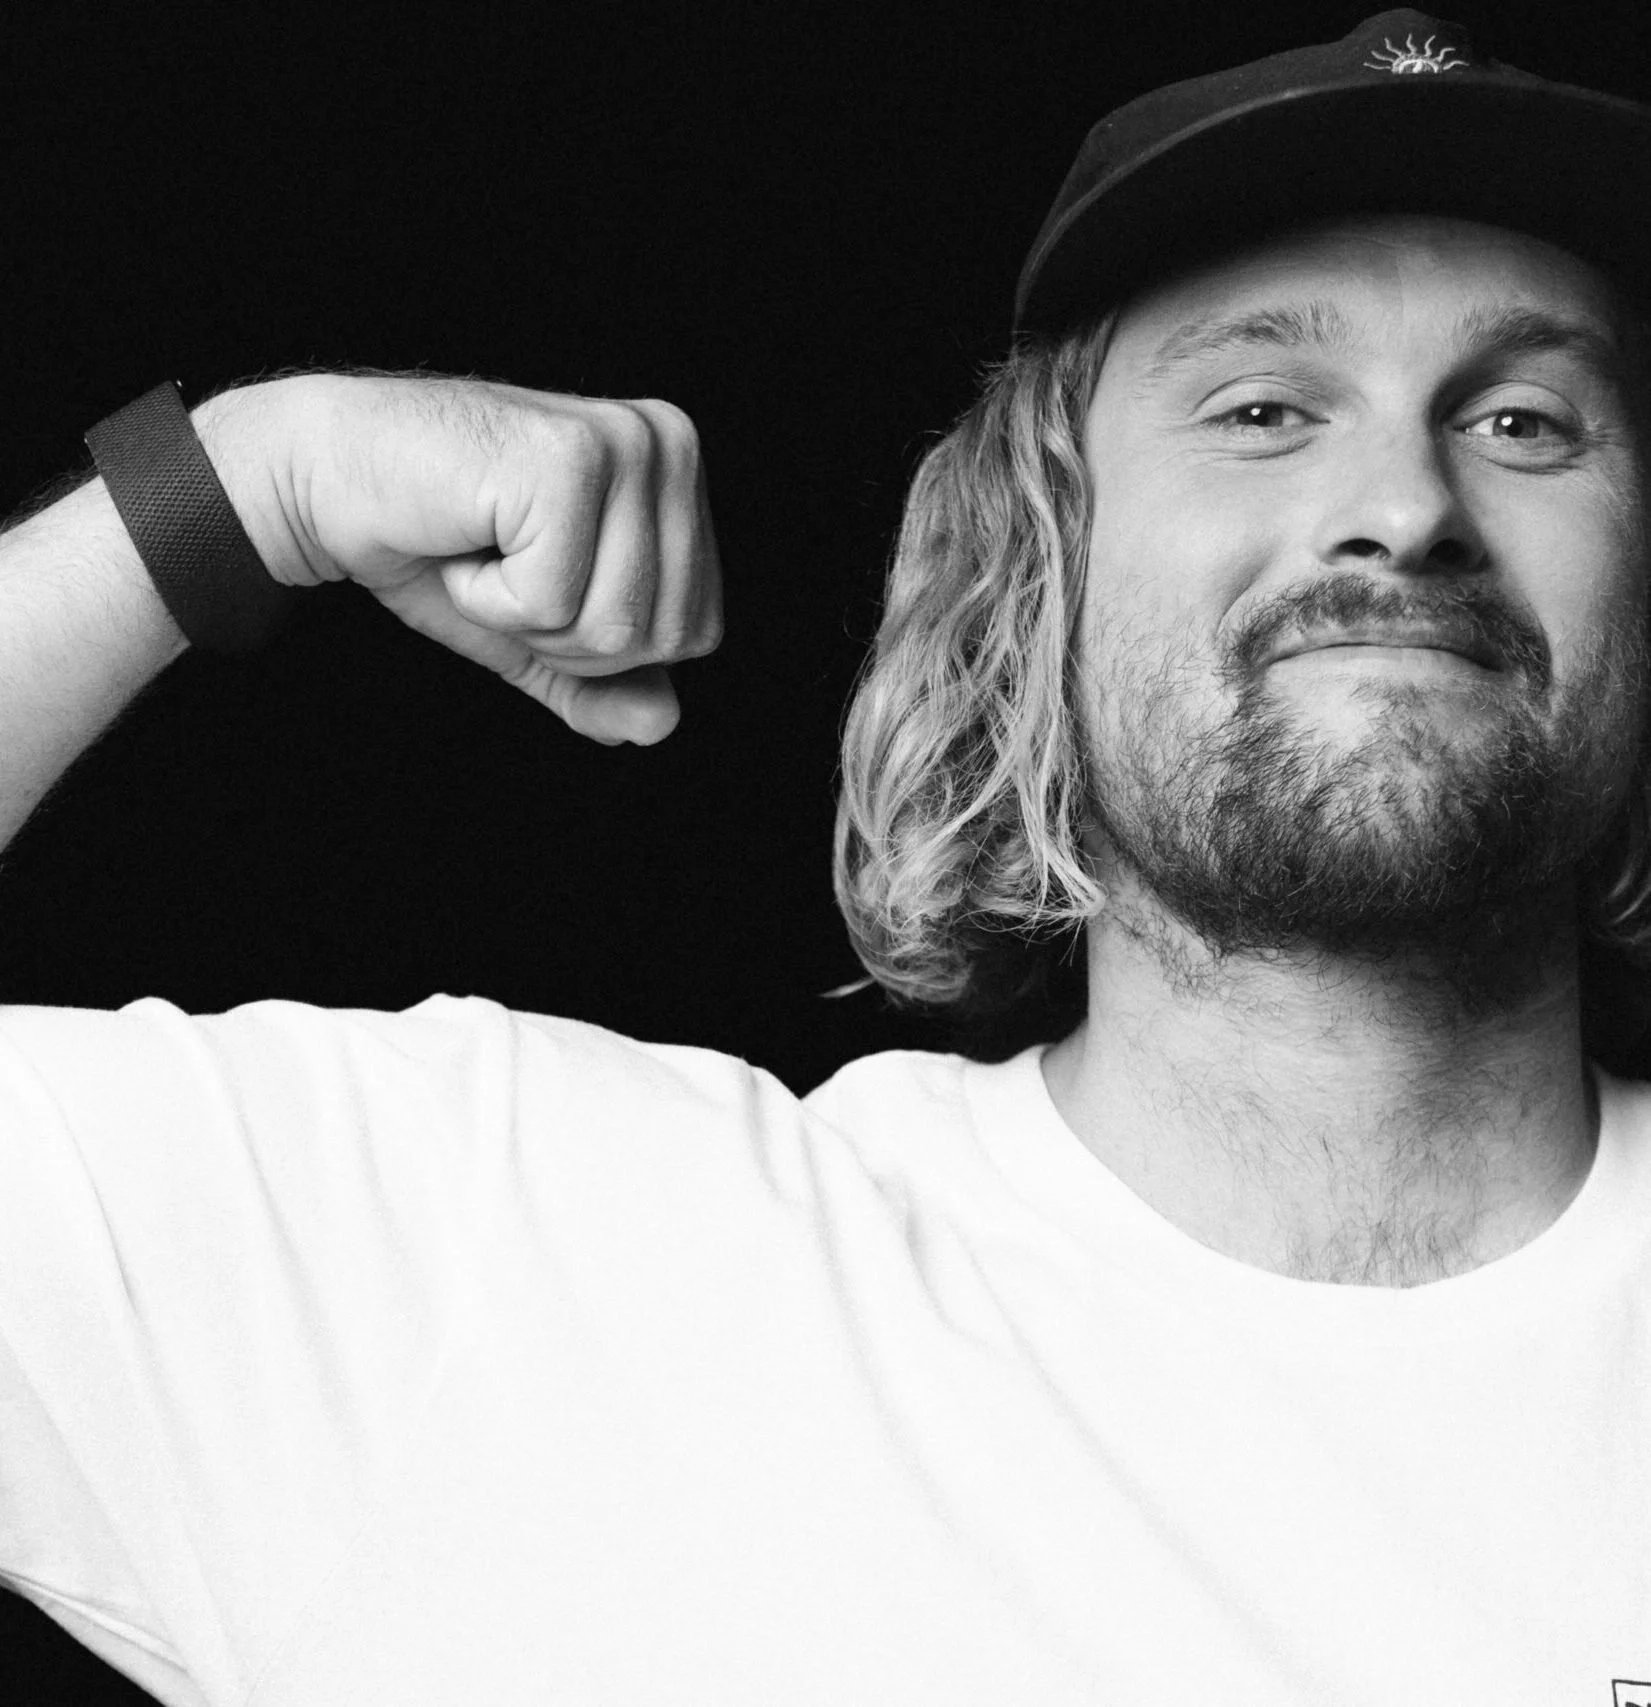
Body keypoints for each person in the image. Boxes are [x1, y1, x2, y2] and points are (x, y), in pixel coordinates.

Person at [5, 8, 1651, 1702]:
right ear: (1038, 562)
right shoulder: (511, 1267)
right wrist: (242, 488)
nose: (1404, 505)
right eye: (1260, 407)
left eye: (1524, 421)